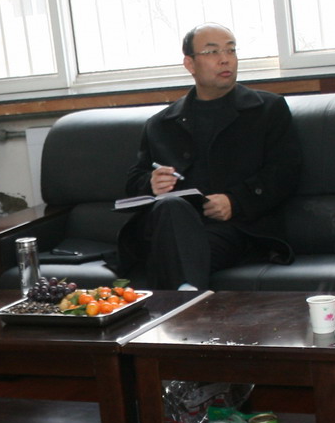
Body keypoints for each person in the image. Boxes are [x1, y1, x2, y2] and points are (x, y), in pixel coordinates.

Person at [120, 23, 302, 290]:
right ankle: (187, 300)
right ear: (190, 64)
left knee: (175, 252)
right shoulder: (161, 124)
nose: (225, 59)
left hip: (237, 228)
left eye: (231, 50)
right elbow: (134, 180)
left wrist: (235, 201)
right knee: (171, 210)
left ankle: (179, 303)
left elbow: (285, 171)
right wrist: (151, 182)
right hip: (169, 225)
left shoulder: (267, 109)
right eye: (212, 52)